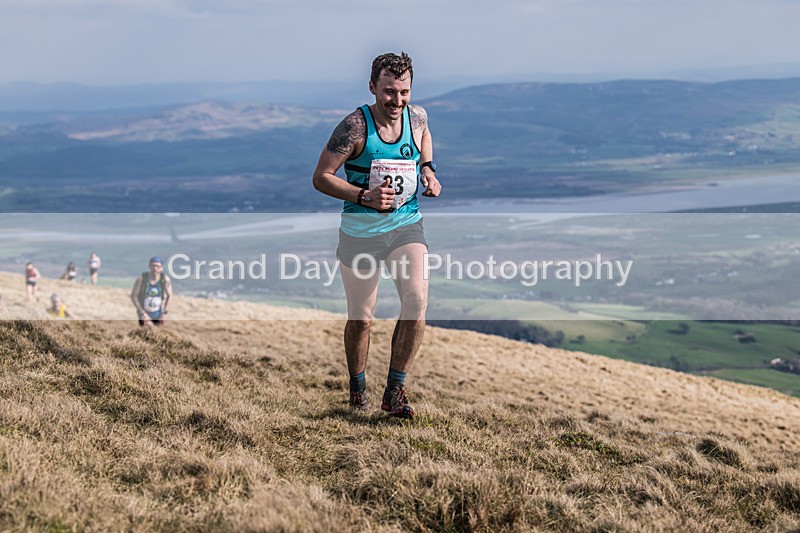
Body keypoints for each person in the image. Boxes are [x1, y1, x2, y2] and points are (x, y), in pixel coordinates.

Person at [312, 52, 442, 419]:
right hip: (360, 232)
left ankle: (395, 391)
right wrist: (362, 196)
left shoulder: (417, 117)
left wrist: (429, 169)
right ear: (372, 87)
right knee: (362, 318)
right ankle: (357, 389)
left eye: (404, 92)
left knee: (416, 301)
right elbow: (321, 177)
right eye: (389, 92)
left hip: (405, 225)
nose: (397, 101)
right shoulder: (354, 127)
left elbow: (424, 136)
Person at [130, 256, 172, 326]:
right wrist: (142, 313)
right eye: (153, 266)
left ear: (162, 268)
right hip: (144, 311)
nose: (155, 268)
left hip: (158, 312)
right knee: (147, 331)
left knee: (158, 333)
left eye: (157, 266)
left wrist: (164, 313)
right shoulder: (142, 279)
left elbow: (169, 296)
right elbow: (133, 296)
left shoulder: (165, 279)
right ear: (149, 266)